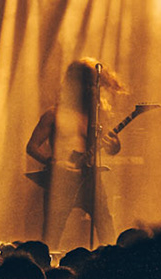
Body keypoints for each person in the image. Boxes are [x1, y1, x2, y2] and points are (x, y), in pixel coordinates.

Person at [25, 59, 130, 248]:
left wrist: (114, 144)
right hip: (62, 178)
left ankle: (114, 261)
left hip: (90, 177)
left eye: (92, 85)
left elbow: (112, 149)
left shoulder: (97, 116)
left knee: (106, 226)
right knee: (52, 233)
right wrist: (53, 162)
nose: (90, 89)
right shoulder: (54, 114)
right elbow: (32, 146)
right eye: (86, 84)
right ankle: (47, 262)